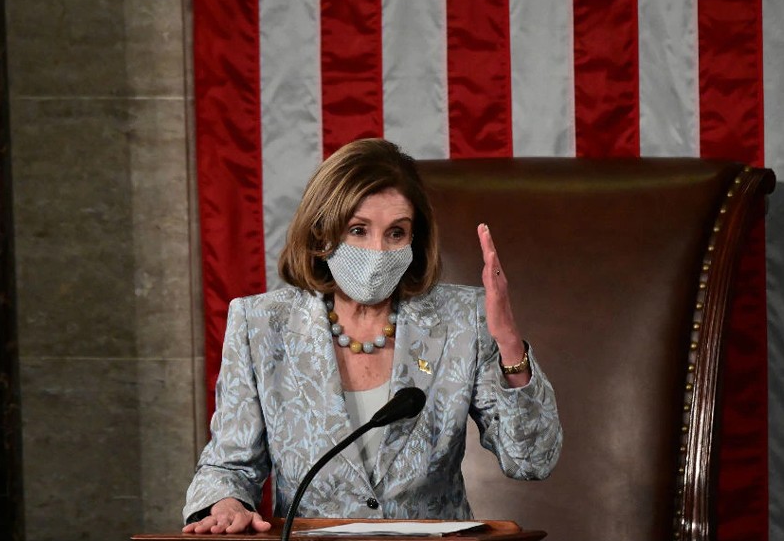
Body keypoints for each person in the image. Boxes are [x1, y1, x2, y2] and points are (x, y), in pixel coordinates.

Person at [183, 139, 562, 534]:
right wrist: (226, 503)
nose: (378, 250)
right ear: (321, 233)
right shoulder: (261, 323)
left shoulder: (463, 318)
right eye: (358, 230)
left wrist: (509, 342)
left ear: (414, 241)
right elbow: (228, 465)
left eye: (396, 233)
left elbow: (531, 460)